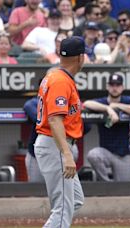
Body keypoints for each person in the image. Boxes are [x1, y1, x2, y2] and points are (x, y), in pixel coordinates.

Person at [34, 36, 85, 227]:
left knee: (75, 200)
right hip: (54, 145)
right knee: (63, 208)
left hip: (54, 144)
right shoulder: (60, 80)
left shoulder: (58, 77)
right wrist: (66, 154)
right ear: (80, 58)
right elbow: (55, 120)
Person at [84, 74, 130, 181]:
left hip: (125, 154)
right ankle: (106, 183)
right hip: (106, 152)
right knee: (93, 155)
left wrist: (117, 106)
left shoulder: (128, 99)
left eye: (118, 85)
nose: (115, 88)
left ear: (122, 87)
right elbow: (87, 103)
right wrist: (108, 109)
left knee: (122, 189)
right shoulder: (103, 102)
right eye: (112, 85)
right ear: (108, 86)